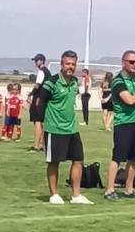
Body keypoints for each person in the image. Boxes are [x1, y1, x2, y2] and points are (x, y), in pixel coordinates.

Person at [34, 50, 92, 205]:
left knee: (78, 160)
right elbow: (40, 102)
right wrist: (43, 121)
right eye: (67, 64)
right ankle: (54, 194)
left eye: (73, 64)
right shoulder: (52, 82)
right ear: (61, 64)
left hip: (72, 129)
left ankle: (76, 195)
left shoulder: (74, 82)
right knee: (54, 162)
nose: (70, 67)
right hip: (55, 129)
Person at [104, 51, 135, 201]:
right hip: (124, 123)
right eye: (131, 62)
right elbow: (129, 100)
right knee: (117, 157)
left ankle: (129, 189)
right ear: (123, 62)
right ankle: (109, 189)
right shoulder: (118, 81)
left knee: (134, 158)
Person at [28, 53, 53, 152]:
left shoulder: (41, 71)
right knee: (42, 122)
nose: (35, 62)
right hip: (45, 98)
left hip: (39, 98)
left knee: (37, 121)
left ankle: (36, 145)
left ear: (42, 61)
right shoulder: (48, 72)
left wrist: (30, 94)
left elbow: (37, 85)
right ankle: (43, 144)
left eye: (37, 60)